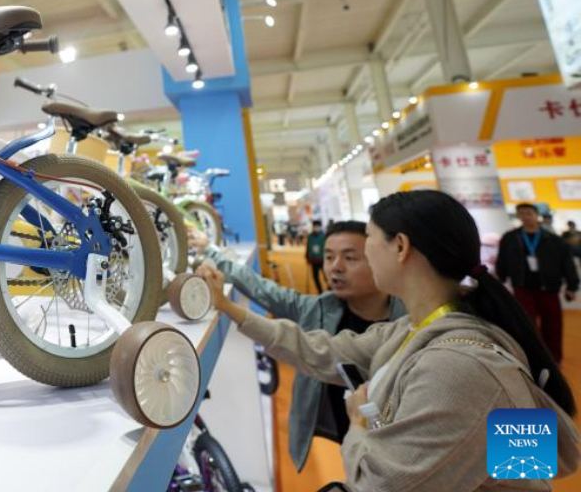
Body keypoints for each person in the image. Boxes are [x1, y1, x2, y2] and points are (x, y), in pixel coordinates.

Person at [197, 190, 580, 490]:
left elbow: (376, 486)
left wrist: (360, 428)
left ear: (400, 246)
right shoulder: (418, 328)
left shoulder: (458, 368)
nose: (347, 260)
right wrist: (231, 310)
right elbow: (323, 351)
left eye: (366, 242)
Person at [202, 221, 406, 472]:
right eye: (329, 257)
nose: (335, 267)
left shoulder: (408, 320)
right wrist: (210, 252)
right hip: (349, 432)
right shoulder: (317, 308)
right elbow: (262, 289)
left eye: (350, 258)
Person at [496, 203, 578, 362]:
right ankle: (531, 359)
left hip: (549, 288)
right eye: (521, 214)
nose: (525, 217)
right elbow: (503, 260)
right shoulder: (510, 238)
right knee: (526, 325)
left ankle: (554, 359)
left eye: (529, 213)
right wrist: (501, 278)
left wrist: (572, 285)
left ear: (536, 215)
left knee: (552, 326)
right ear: (518, 216)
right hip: (522, 287)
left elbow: (566, 263)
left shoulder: (554, 240)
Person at [307, 220, 327, 293]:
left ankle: (330, 289)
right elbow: (308, 247)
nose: (316, 228)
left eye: (318, 226)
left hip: (322, 260)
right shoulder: (310, 236)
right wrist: (307, 257)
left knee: (326, 276)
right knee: (315, 277)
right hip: (314, 260)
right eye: (315, 226)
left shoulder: (323, 236)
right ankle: (320, 291)